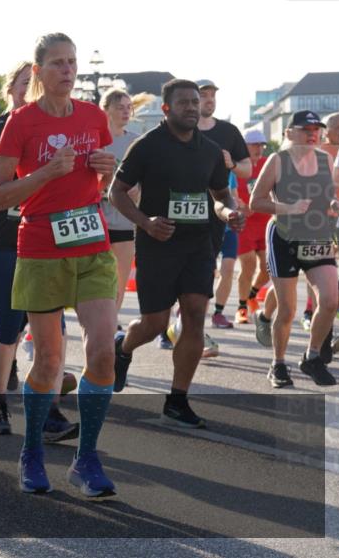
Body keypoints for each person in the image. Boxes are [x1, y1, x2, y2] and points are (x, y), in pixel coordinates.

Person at [0, 32, 118, 498]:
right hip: (41, 247)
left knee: (103, 352)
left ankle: (86, 459)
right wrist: (45, 173)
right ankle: (32, 452)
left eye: (73, 62)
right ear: (39, 71)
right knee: (48, 361)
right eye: (58, 63)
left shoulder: (93, 116)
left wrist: (106, 167)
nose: (68, 70)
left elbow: (101, 177)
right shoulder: (21, 122)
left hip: (92, 244)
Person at [110, 79, 244, 426]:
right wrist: (145, 222)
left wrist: (229, 213)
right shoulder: (147, 146)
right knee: (155, 324)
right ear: (166, 108)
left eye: (195, 102)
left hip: (198, 244)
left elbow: (220, 195)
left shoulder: (211, 150)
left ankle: (177, 399)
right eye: (183, 102)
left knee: (195, 315)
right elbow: (117, 192)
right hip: (158, 244)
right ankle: (122, 348)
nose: (191, 107)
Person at [0, 63, 79, 442]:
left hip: (48, 239)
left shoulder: (54, 128)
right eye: (22, 85)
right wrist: (25, 171)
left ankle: (49, 410)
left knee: (56, 330)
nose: (28, 91)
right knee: (9, 323)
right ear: (11, 89)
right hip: (3, 241)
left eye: (32, 85)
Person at [249, 110, 339, 387]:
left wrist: (335, 207)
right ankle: (278, 364)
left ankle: (312, 356)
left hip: (317, 237)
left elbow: (329, 198)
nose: (313, 134)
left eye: (317, 129)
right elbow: (256, 201)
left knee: (330, 301)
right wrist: (287, 207)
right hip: (284, 237)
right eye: (306, 129)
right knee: (287, 309)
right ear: (289, 133)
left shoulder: (325, 159)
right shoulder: (278, 161)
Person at [195, 80, 250, 353]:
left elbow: (247, 169)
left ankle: (207, 319)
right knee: (200, 273)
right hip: (190, 212)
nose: (209, 100)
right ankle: (187, 326)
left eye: (212, 95)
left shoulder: (229, 131)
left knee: (220, 269)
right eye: (203, 95)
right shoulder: (182, 130)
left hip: (224, 212)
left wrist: (232, 164)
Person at [99, 89, 140, 330]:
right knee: (100, 279)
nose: (126, 111)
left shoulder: (136, 141)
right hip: (98, 217)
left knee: (120, 279)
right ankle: (101, 322)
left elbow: (147, 175)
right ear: (107, 111)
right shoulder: (96, 139)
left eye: (128, 107)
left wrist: (138, 188)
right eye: (120, 107)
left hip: (125, 219)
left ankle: (111, 325)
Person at [235, 130, 271, 324]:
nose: (259, 148)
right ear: (245, 146)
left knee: (268, 269)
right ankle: (241, 308)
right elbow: (228, 190)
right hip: (245, 222)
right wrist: (239, 203)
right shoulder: (238, 166)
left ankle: (251, 294)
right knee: (248, 263)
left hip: (265, 221)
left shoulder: (268, 164)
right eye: (254, 144)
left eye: (261, 145)